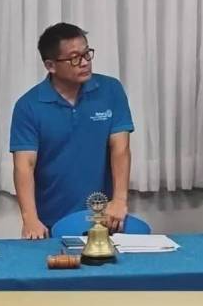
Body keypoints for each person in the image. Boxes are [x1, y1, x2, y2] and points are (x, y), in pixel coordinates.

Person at [10, 22, 134, 239]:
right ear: (51, 65)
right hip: (51, 220)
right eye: (74, 58)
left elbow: (120, 148)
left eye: (87, 54)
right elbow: (24, 165)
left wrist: (119, 200)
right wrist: (30, 219)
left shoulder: (110, 90)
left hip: (105, 217)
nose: (84, 63)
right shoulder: (28, 106)